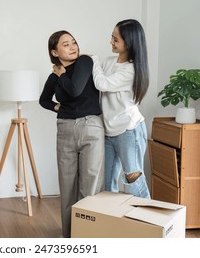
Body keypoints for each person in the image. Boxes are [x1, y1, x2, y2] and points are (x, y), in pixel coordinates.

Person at [39, 30, 104, 238]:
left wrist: (62, 74)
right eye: (66, 44)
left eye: (74, 42)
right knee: (67, 188)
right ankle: (69, 238)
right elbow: (44, 100)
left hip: (90, 126)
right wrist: (58, 108)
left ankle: (89, 237)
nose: (73, 46)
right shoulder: (55, 76)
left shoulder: (85, 62)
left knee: (90, 187)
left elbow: (75, 89)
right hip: (65, 129)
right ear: (54, 51)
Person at [91, 19, 150, 199]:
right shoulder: (109, 62)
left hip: (128, 131)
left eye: (115, 39)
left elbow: (102, 83)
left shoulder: (131, 70)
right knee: (107, 183)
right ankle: (113, 222)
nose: (111, 42)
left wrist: (93, 61)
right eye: (112, 37)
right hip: (109, 131)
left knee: (133, 179)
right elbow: (96, 78)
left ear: (129, 42)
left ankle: (150, 220)